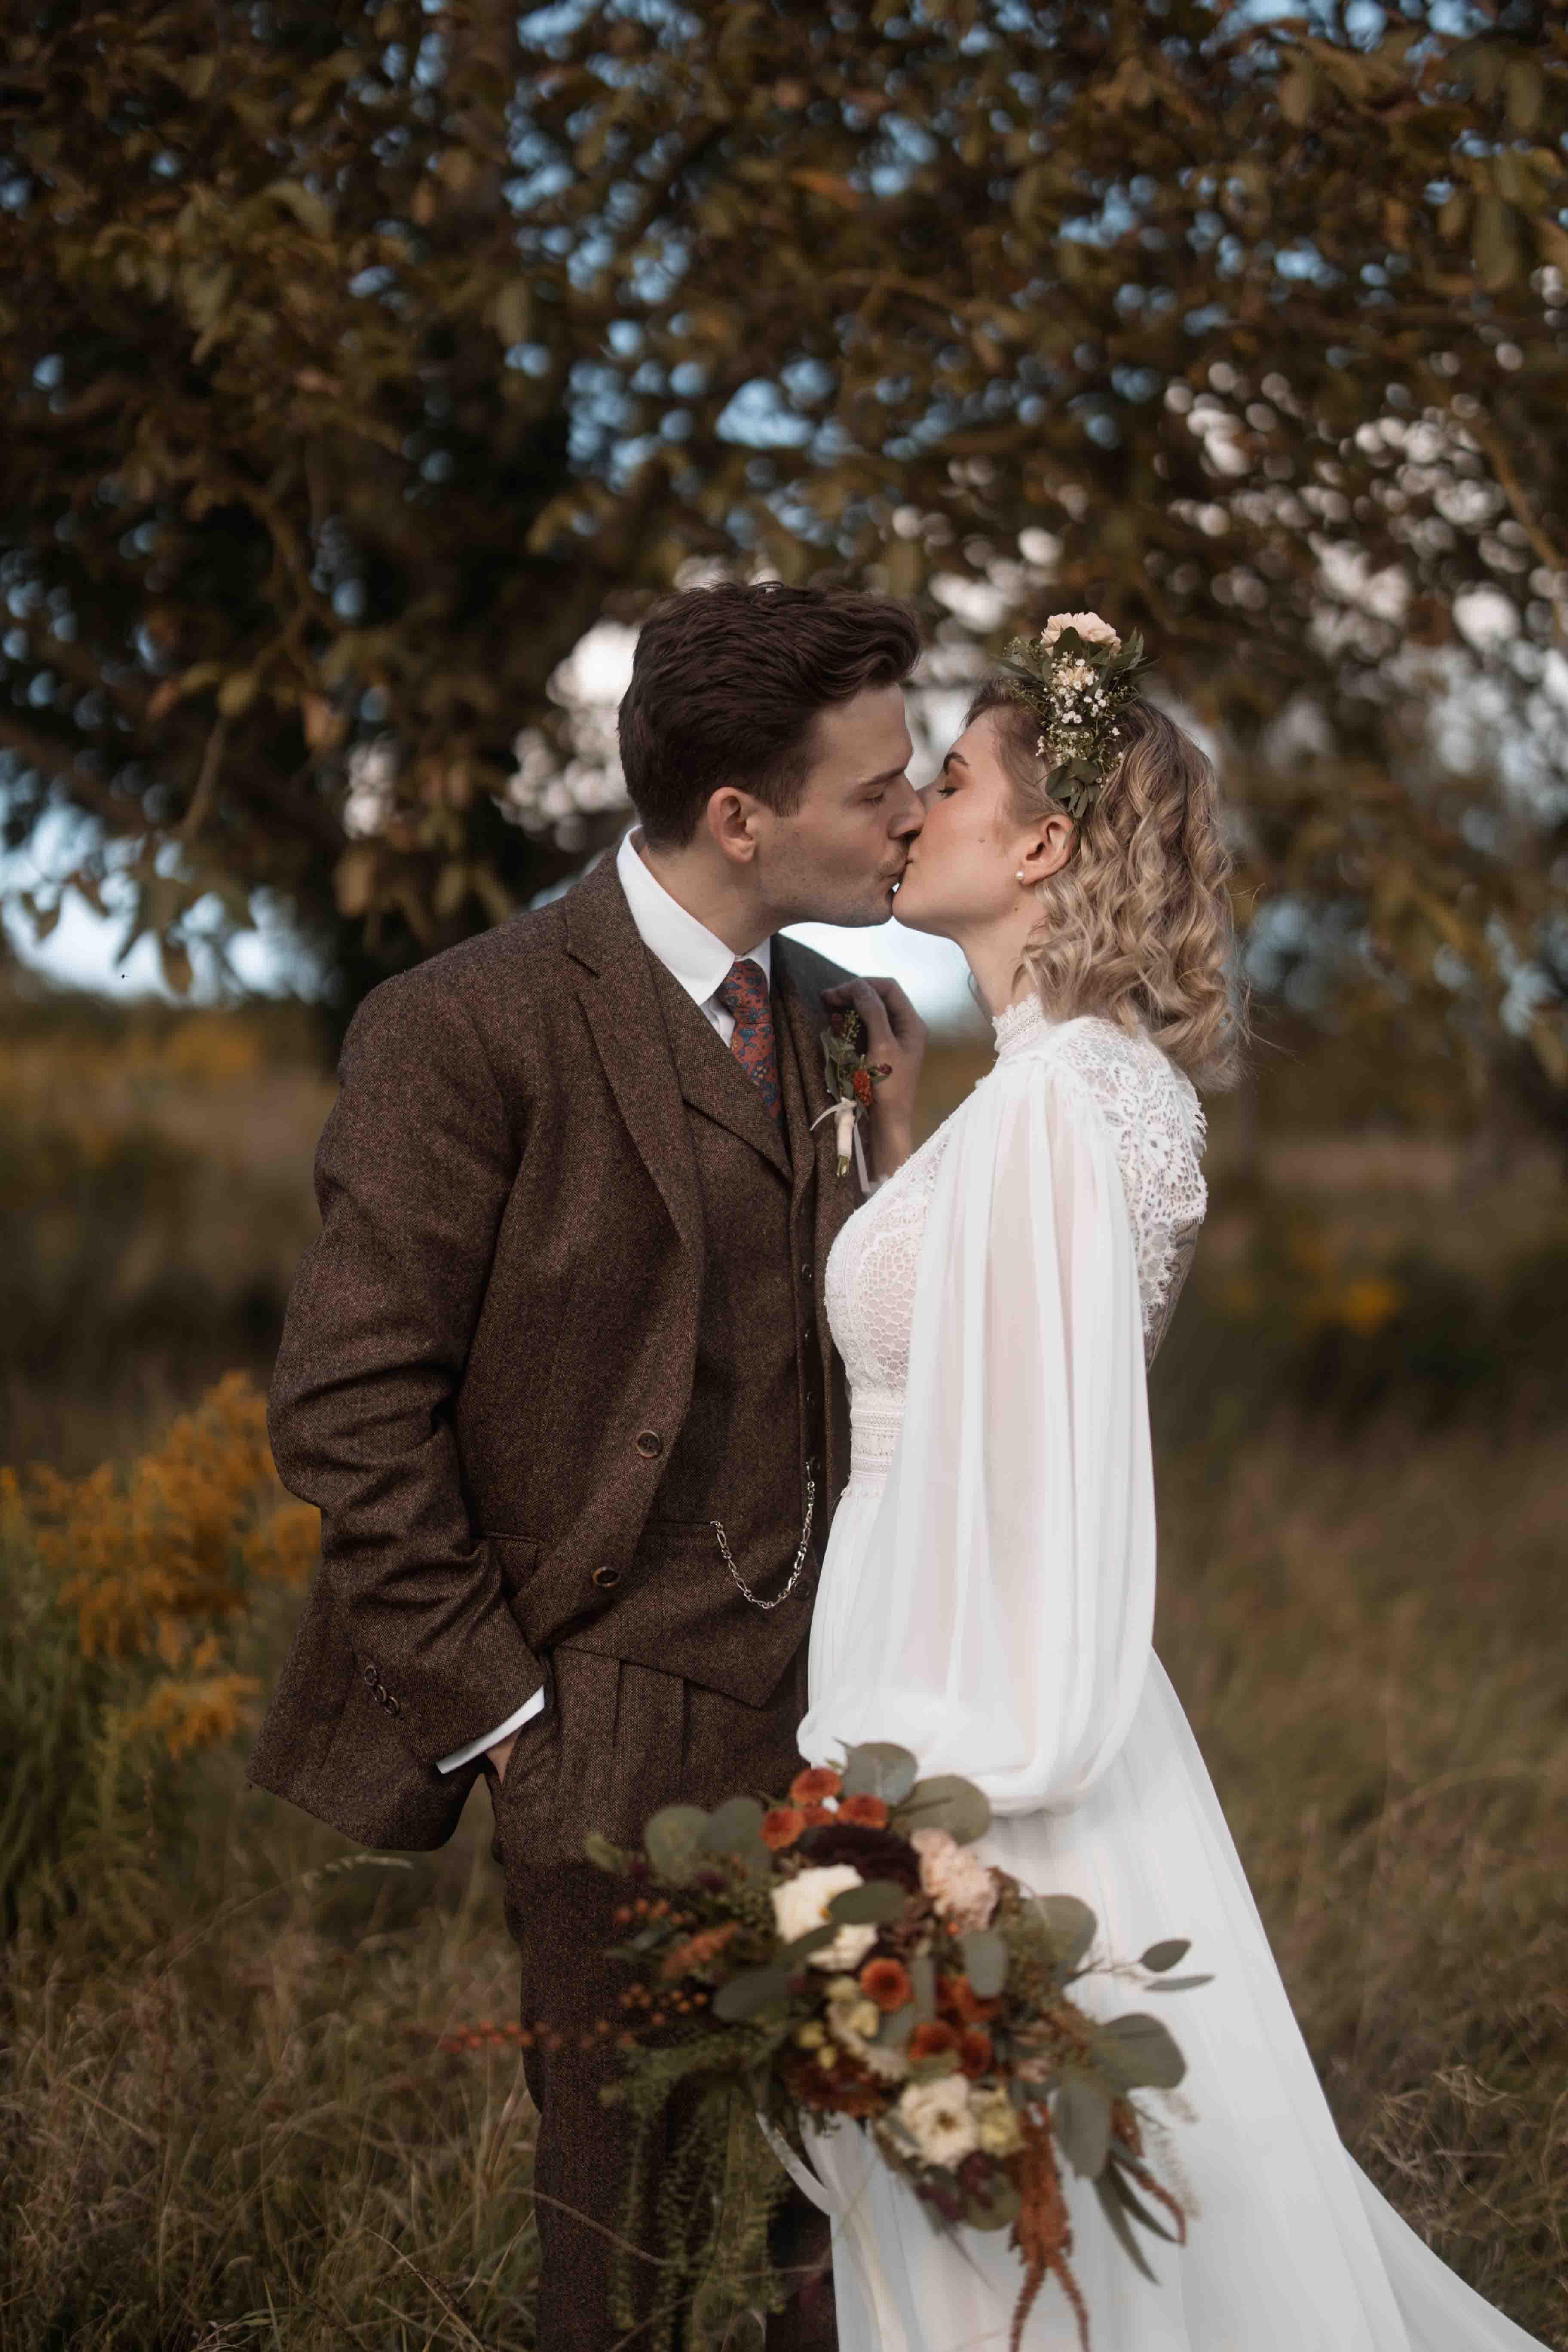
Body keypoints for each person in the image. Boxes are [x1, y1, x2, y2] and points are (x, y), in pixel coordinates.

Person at [792, 614, 1549, 2350]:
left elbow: (1037, 1481)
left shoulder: (1067, 1110)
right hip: (951, 1680)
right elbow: (979, 1358)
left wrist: (940, 1801)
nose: (910, 809)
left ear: (1045, 843)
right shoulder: (1058, 1095)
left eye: (954, 780)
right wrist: (898, 1145)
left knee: (1033, 2240)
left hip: (989, 1731)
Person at [246, 581, 931, 2352]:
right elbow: (346, 1402)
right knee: (614, 2263)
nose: (914, 814)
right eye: (881, 788)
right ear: (740, 818)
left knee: (844, 2230)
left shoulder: (862, 1021)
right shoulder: (466, 1025)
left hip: (853, 1703)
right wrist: (508, 1723)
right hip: (595, 1711)